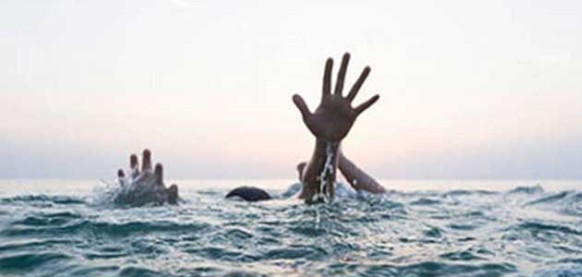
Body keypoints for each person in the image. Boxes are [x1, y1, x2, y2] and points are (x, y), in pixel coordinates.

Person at [115, 53, 384, 205]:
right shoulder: (289, 204)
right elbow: (316, 198)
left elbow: (313, 195)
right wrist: (327, 147)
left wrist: (151, 203)